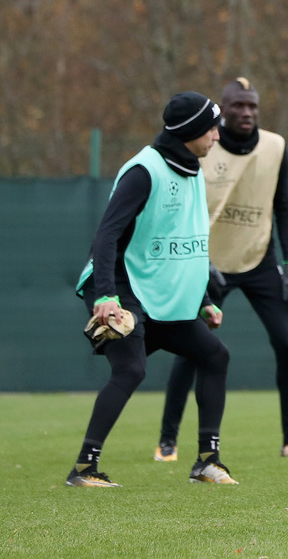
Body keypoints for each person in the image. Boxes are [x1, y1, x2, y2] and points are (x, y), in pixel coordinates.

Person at [66, 92, 237, 487]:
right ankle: (84, 469)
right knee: (131, 369)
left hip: (159, 295)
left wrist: (204, 300)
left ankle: (207, 461)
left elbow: (187, 243)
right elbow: (106, 236)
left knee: (215, 355)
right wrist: (106, 295)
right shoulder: (145, 170)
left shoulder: (190, 169)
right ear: (191, 131)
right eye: (211, 127)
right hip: (123, 286)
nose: (216, 135)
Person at [155, 77, 288, 463]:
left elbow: (285, 208)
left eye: (252, 106)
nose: (246, 112)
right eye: (237, 106)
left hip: (258, 260)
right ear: (222, 111)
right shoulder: (202, 146)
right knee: (190, 348)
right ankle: (167, 441)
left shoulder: (276, 146)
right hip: (207, 263)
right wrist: (198, 262)